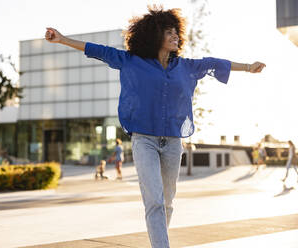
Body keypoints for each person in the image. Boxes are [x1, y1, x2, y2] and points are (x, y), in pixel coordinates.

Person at [45, 6, 265, 248]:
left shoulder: (185, 66)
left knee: (167, 202)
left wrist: (247, 66)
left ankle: (158, 240)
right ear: (154, 35)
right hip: (144, 141)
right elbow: (98, 50)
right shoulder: (131, 61)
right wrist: (63, 40)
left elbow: (213, 62)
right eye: (168, 32)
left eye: (176, 32)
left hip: (172, 142)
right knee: (155, 202)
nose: (175, 36)